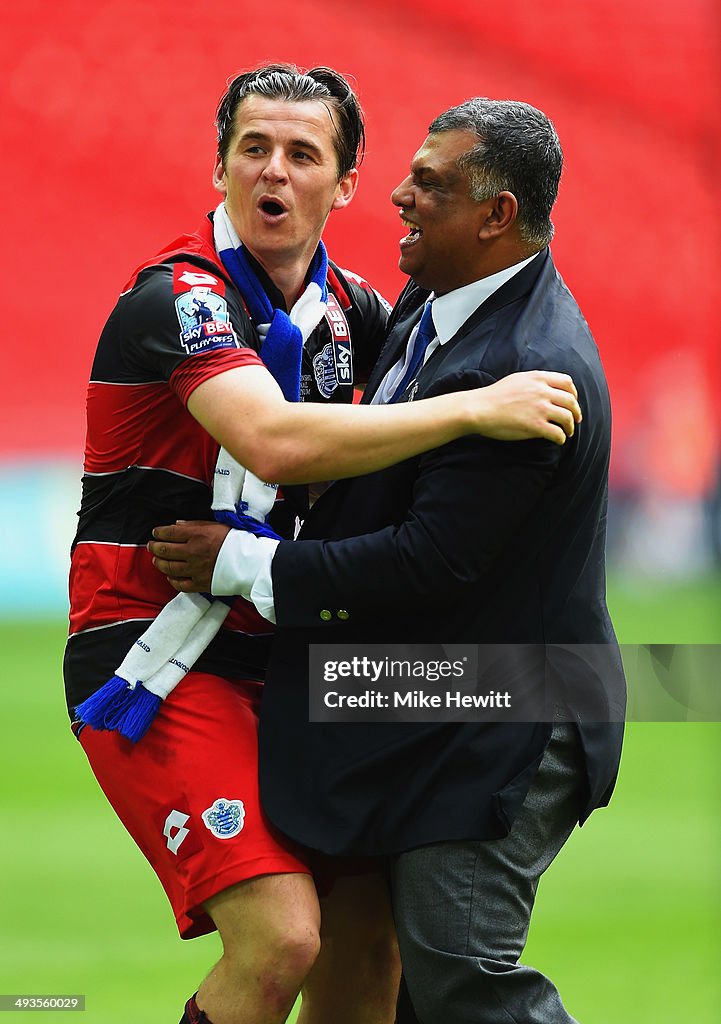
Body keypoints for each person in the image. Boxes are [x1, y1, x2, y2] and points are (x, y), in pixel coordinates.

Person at [65, 65, 582, 1024]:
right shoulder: (176, 299)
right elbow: (270, 437)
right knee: (282, 937)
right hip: (161, 652)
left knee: (371, 939)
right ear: (216, 168)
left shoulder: (362, 313)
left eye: (302, 154)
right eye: (251, 149)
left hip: (300, 656)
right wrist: (478, 408)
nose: (273, 171)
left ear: (344, 186)